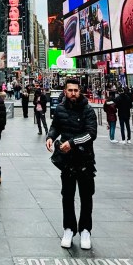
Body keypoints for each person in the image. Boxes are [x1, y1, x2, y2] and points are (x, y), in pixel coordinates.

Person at [46, 78, 98, 250]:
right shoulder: (60, 108)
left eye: (76, 90)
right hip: (66, 161)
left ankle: (85, 230)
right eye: (70, 90)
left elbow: (91, 134)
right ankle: (69, 229)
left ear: (80, 91)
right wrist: (50, 137)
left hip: (85, 160)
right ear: (65, 91)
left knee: (86, 196)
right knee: (67, 196)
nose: (73, 93)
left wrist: (72, 142)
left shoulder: (88, 110)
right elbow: (56, 126)